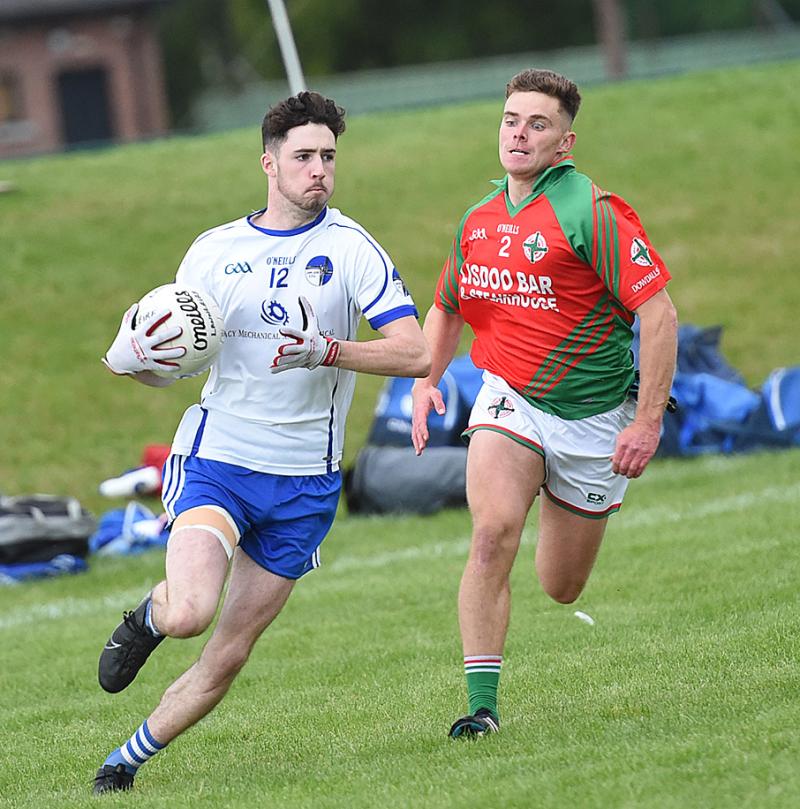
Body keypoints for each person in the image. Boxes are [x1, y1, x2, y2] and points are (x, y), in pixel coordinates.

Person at [93, 90, 430, 794]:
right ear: (268, 163)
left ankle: (123, 762)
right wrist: (134, 355)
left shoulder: (350, 247)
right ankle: (148, 616)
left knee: (228, 650)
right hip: (221, 462)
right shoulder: (215, 252)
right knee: (189, 613)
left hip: (306, 484)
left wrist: (328, 350)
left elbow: (416, 352)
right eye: (303, 156)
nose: (319, 171)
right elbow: (175, 361)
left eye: (328, 157)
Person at [411, 69, 678, 738]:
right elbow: (447, 307)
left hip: (594, 418)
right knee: (492, 530)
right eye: (510, 120)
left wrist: (647, 421)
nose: (519, 133)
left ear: (565, 141)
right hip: (510, 397)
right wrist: (425, 377)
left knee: (561, 584)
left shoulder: (593, 212)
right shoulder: (478, 219)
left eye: (537, 124)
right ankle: (481, 708)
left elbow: (659, 311)